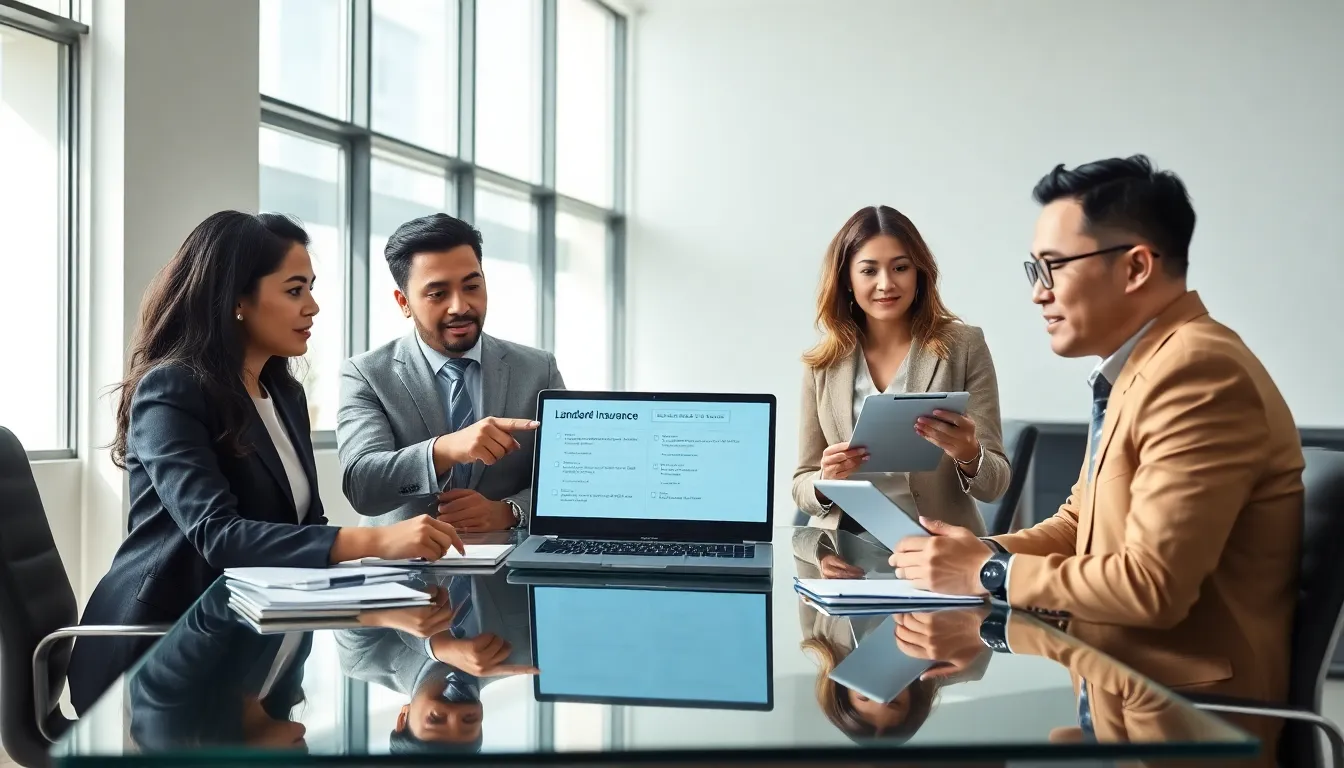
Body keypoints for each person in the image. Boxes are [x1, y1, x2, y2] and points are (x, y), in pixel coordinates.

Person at [890, 155, 1303, 759]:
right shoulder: (1140, 371)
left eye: (1054, 266)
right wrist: (970, 555)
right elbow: (1078, 525)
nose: (1038, 292)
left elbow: (1151, 587)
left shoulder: (1198, 372)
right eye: (1035, 268)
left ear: (1136, 266)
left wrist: (983, 575)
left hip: (1182, 733)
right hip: (1115, 709)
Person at [67, 211, 466, 715]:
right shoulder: (172, 389)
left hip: (253, 644)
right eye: (295, 290)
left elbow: (306, 527)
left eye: (311, 288)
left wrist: (378, 602)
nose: (314, 306)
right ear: (237, 299)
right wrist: (380, 540)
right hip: (161, 656)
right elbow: (221, 536)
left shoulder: (283, 392)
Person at [792, 205, 1011, 547]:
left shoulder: (964, 346)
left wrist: (969, 453)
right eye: (869, 270)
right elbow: (801, 484)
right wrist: (825, 479)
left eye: (900, 268)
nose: (886, 284)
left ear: (919, 273)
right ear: (847, 279)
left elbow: (995, 484)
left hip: (939, 546)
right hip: (843, 550)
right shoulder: (822, 362)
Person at [337, 213, 565, 533]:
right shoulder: (366, 374)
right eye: (437, 294)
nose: (459, 306)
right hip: (404, 574)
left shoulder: (539, 370)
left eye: (471, 286)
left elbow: (566, 480)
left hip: (506, 575)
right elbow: (362, 485)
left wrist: (510, 512)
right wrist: (446, 449)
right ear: (404, 302)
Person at [336, 571, 536, 753]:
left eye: (436, 718)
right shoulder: (530, 653)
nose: (456, 711)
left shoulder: (363, 660)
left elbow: (348, 590)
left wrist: (437, 646)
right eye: (469, 719)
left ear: (403, 718)